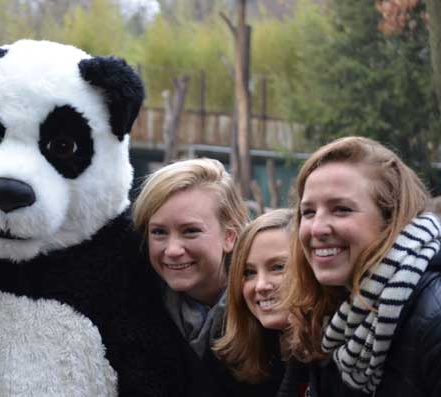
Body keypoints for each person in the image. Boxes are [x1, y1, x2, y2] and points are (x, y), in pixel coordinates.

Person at [278, 136, 441, 397]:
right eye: (308, 212)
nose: (317, 228)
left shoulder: (433, 321)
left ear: (392, 219)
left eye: (341, 209)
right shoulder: (327, 308)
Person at [132, 158, 249, 395]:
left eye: (191, 231)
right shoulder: (136, 305)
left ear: (229, 236)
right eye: (159, 232)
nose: (173, 250)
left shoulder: (264, 309)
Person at [213, 208, 293, 395]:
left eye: (278, 267)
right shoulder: (235, 355)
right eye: (249, 272)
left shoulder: (344, 355)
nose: (260, 285)